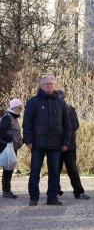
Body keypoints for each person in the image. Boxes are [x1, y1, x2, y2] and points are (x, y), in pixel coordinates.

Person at [23, 75, 71, 206]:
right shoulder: (33, 101)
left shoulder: (61, 103)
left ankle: (52, 198)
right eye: (47, 84)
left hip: (56, 144)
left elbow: (67, 124)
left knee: (54, 172)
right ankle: (33, 197)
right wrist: (28, 139)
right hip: (38, 143)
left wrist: (66, 141)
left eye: (51, 84)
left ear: (54, 85)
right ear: (42, 86)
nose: (49, 86)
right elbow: (27, 122)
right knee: (35, 171)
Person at [55, 90, 90, 200]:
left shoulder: (70, 109)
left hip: (70, 145)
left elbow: (75, 124)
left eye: (63, 98)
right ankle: (55, 191)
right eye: (60, 98)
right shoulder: (52, 110)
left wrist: (65, 131)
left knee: (73, 169)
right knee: (55, 169)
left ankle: (79, 192)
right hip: (55, 145)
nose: (62, 100)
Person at [0, 99, 24, 199]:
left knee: (9, 168)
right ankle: (6, 190)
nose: (20, 110)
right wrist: (8, 137)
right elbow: (1, 130)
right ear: (14, 107)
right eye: (19, 108)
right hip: (6, 147)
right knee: (8, 168)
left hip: (11, 147)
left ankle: (7, 190)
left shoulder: (13, 117)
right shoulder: (7, 117)